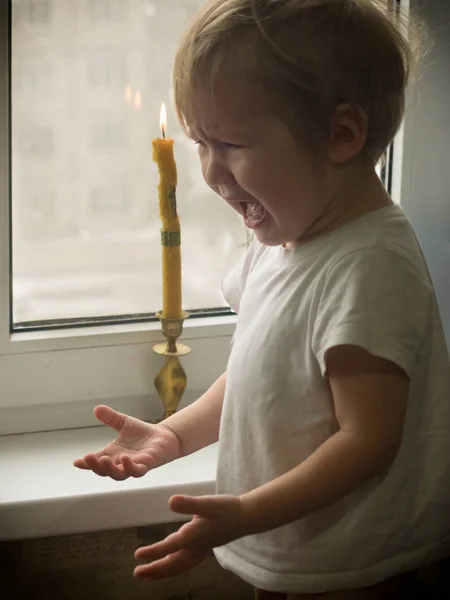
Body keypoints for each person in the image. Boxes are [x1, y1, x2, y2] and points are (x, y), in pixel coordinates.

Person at [74, 1, 450, 598]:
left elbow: (368, 440)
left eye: (229, 144)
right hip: (294, 548)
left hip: (352, 568)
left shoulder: (370, 268)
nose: (211, 173)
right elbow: (257, 375)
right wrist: (174, 436)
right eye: (201, 143)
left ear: (341, 135)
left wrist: (248, 511)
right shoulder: (285, 239)